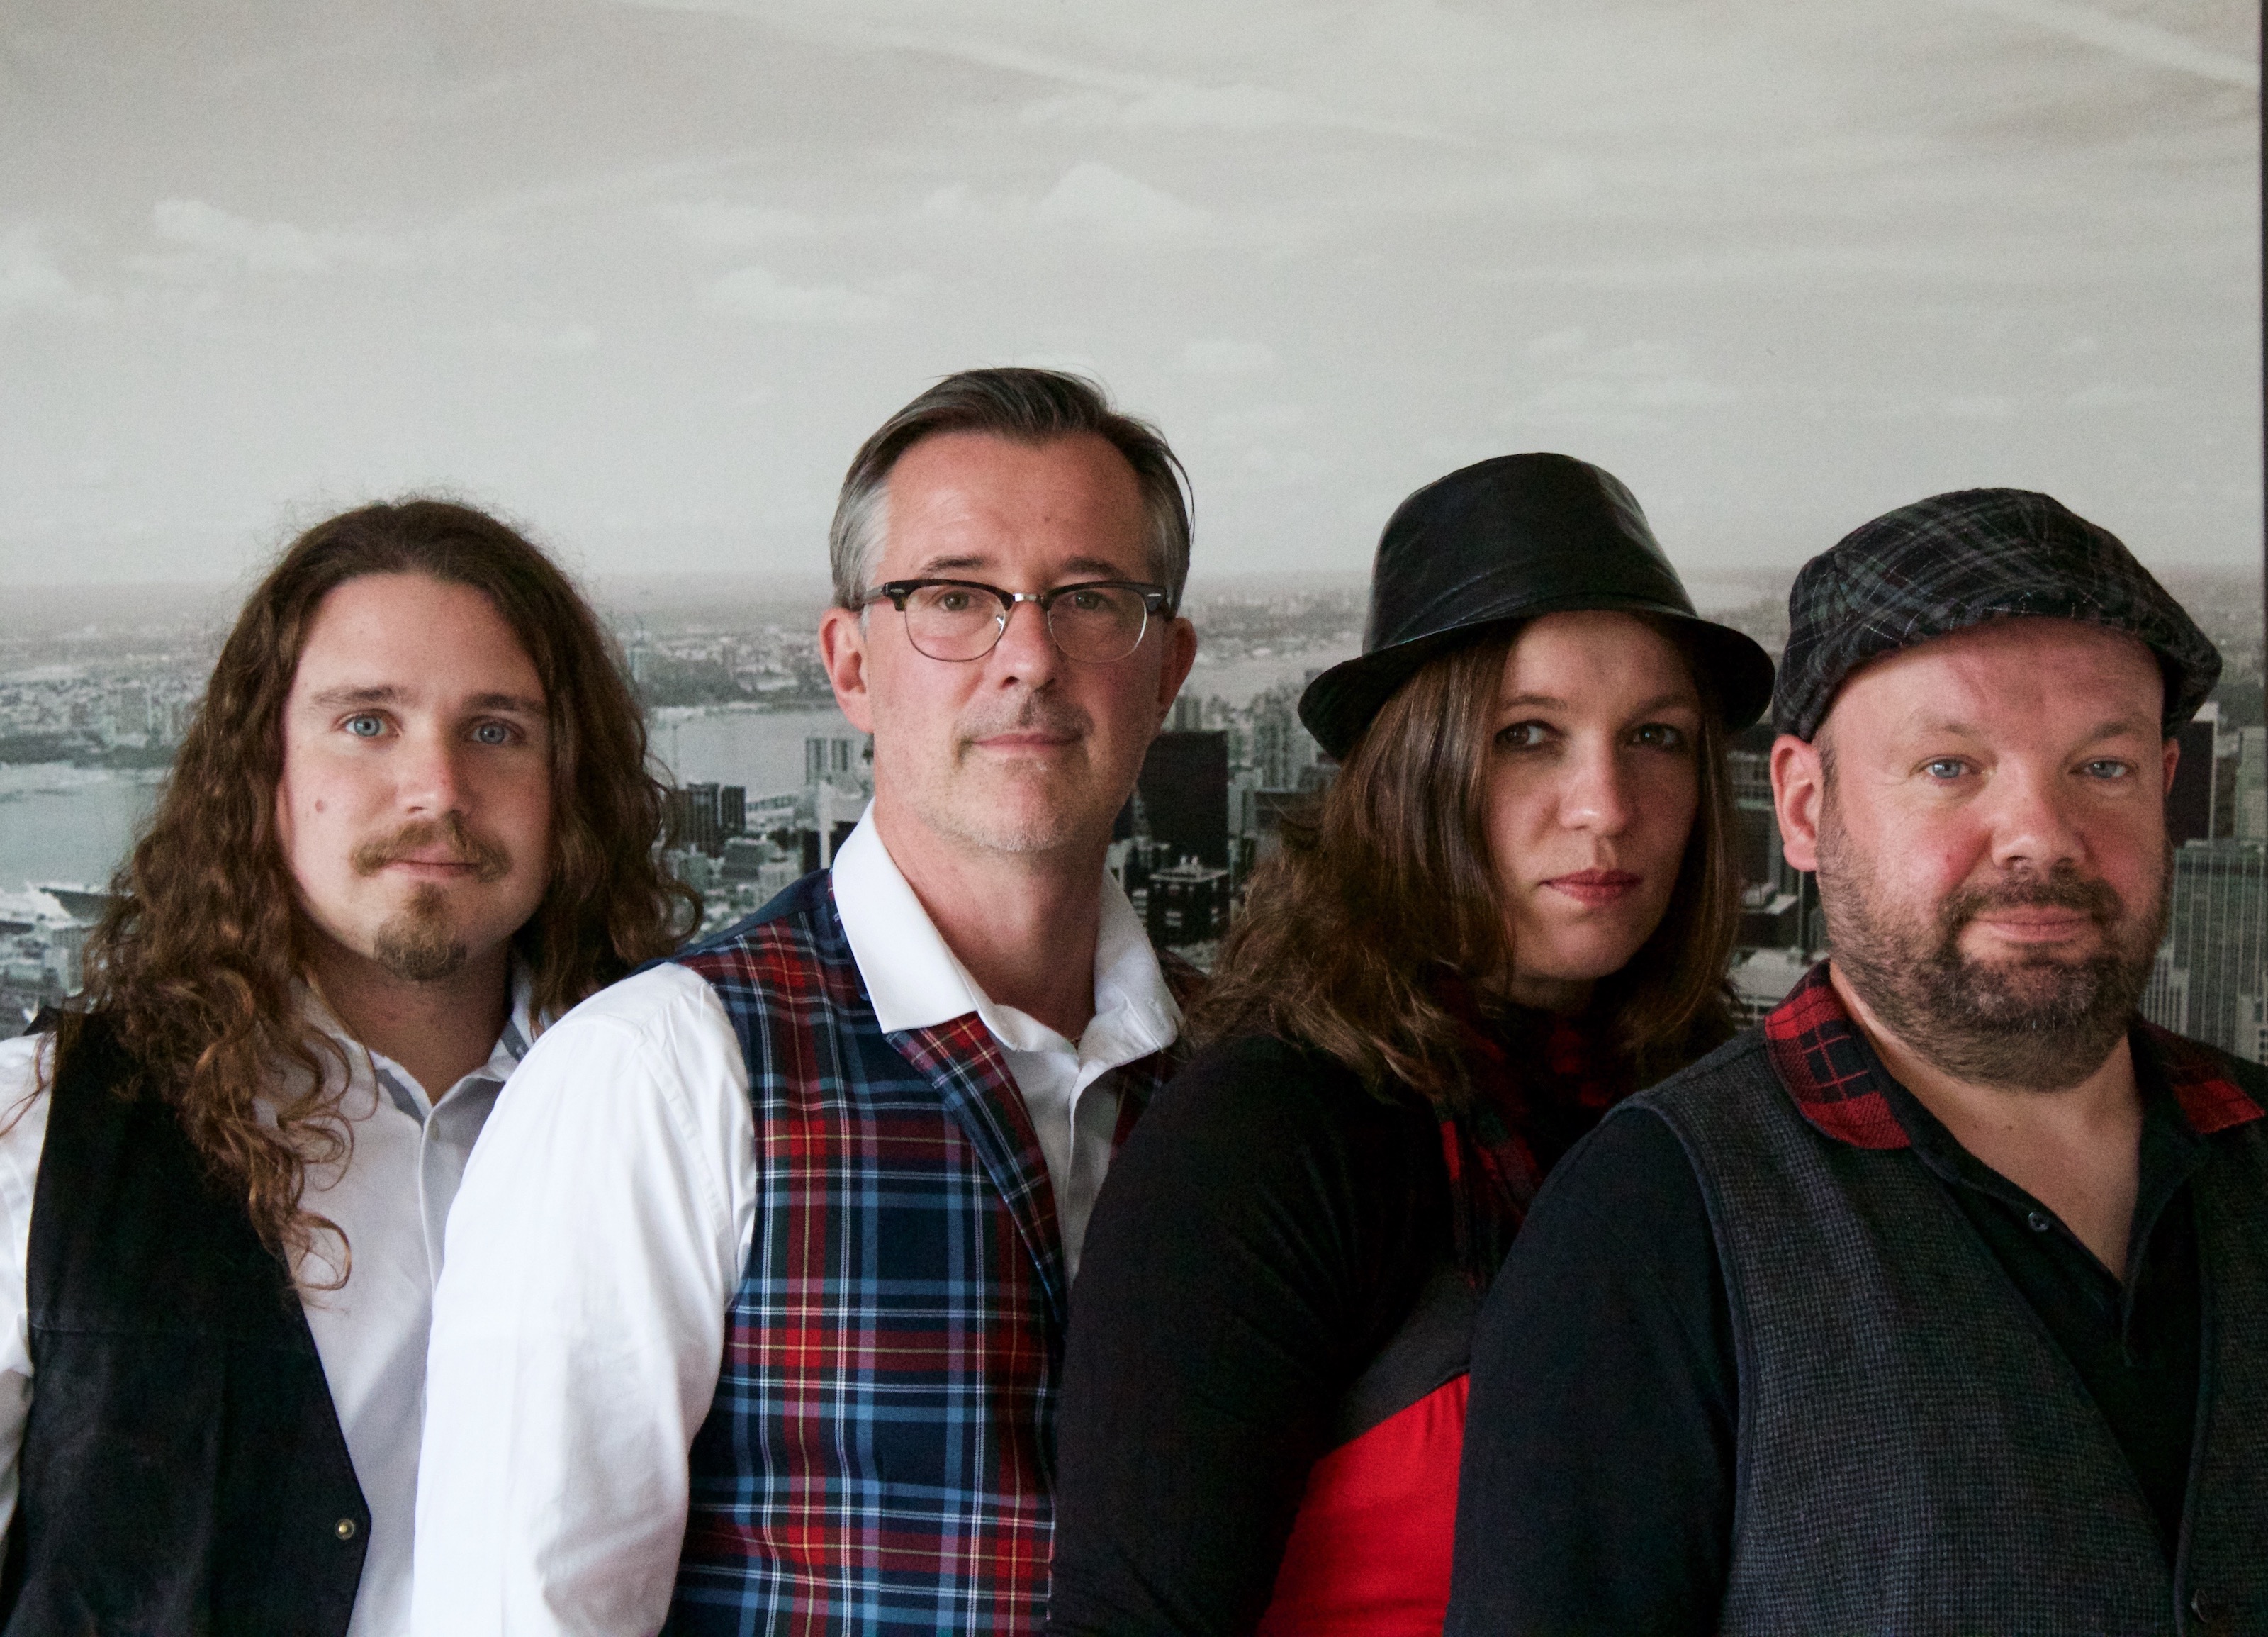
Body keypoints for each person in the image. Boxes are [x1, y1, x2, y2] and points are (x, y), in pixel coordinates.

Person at [412, 368, 1203, 1636]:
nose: (1029, 657)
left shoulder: (1240, 1073)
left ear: (1167, 670)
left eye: (1090, 600)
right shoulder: (659, 1075)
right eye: (955, 598)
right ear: (851, 665)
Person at [1447, 488, 2268, 1635]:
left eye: (2104, 767)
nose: (2041, 833)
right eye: (1950, 766)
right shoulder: (1652, 1223)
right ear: (1803, 806)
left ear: (2168, 788)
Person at [1045, 454, 1776, 1637]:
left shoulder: (1722, 1116)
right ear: (1409, 772)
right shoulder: (1267, 1140)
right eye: (1527, 734)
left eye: (1656, 735)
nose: (1605, 803)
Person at [0, 501, 691, 1637]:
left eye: (497, 730)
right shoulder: (42, 1132)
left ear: (571, 782)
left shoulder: (680, 1122)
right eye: (367, 723)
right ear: (262, 766)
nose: (438, 788)